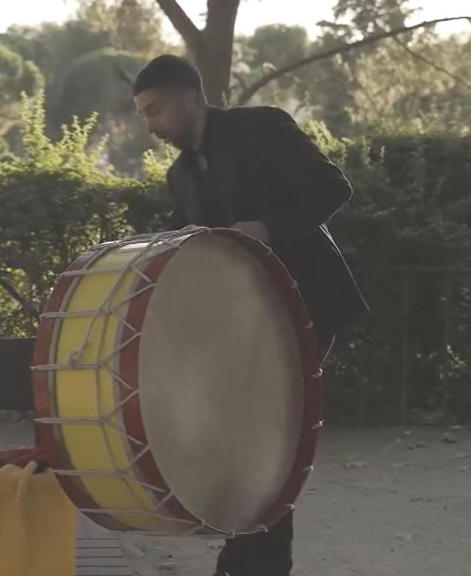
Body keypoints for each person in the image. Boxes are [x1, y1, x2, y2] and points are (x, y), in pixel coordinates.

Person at [131, 54, 368, 576]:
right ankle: (251, 552)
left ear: (190, 97)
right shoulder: (180, 175)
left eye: (155, 111)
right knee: (249, 431)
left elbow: (335, 187)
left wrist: (268, 229)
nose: (150, 127)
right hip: (245, 323)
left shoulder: (263, 126)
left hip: (307, 305)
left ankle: (250, 557)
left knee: (266, 429)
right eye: (144, 115)